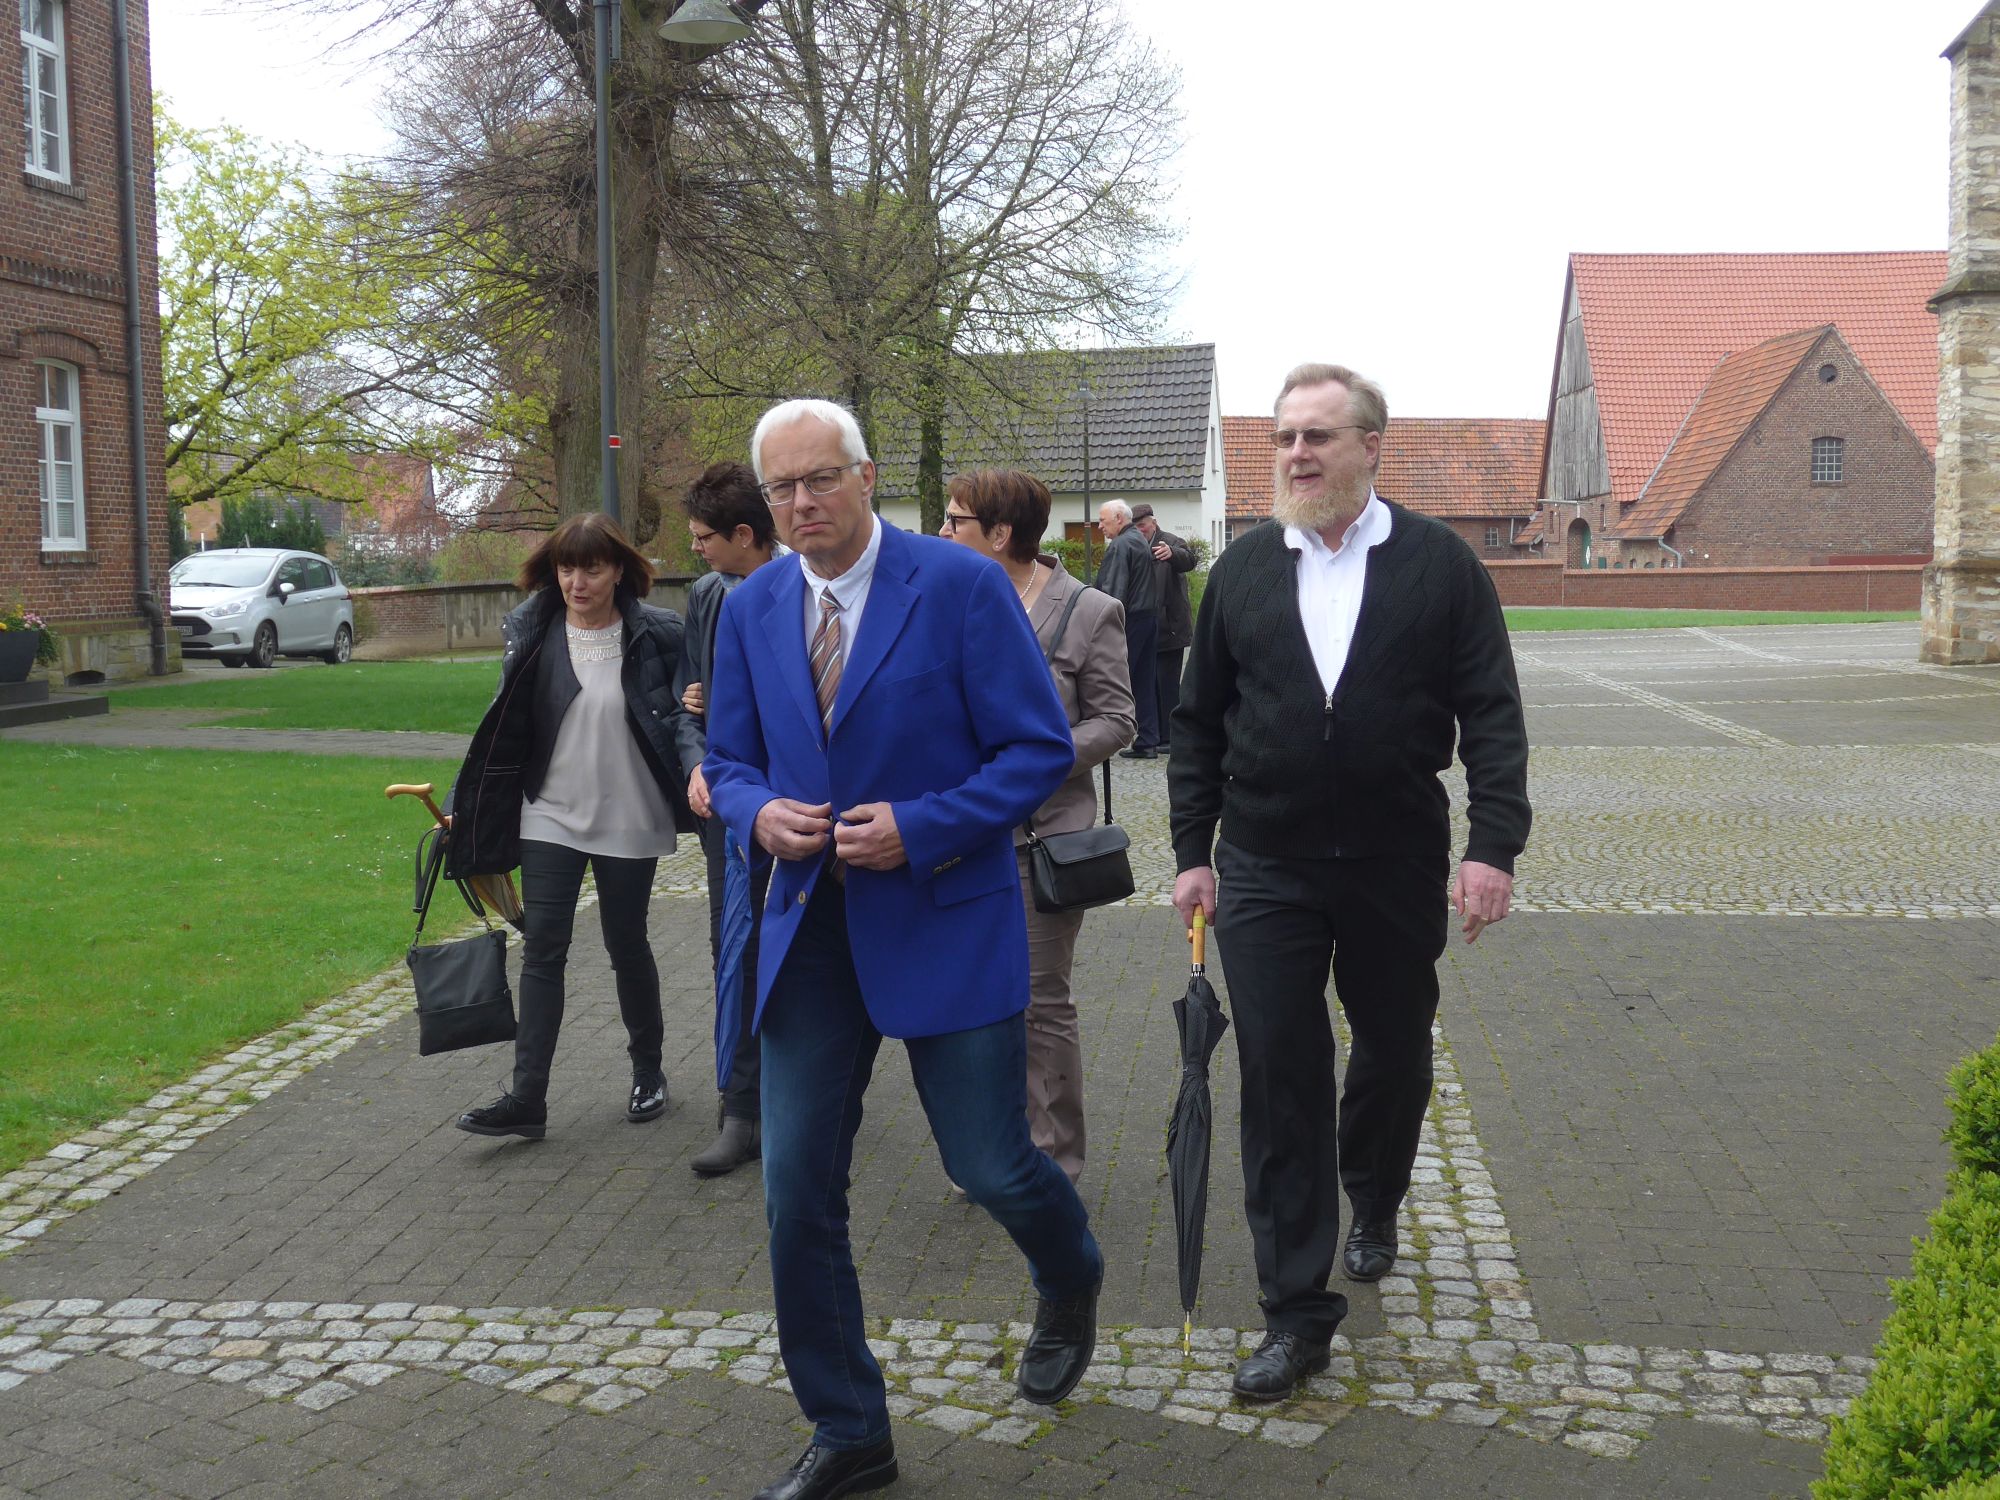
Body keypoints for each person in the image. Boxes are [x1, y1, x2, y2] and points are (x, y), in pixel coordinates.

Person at [705, 400, 1105, 1500]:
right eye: (781, 488)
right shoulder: (750, 606)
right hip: (810, 931)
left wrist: (921, 827)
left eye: (820, 479)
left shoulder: (961, 585)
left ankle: (1069, 1271)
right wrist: (754, 812)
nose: (801, 503)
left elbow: (1035, 750)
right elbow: (726, 760)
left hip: (943, 917)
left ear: (866, 475)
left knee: (988, 1165)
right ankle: (850, 1431)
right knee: (795, 1192)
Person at [1168, 362, 1531, 1402]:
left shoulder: (1440, 566)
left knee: (1391, 1052)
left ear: (1371, 445)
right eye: (1285, 436)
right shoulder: (1242, 569)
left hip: (1393, 860)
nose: (1296, 454)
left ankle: (1373, 1196)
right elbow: (1196, 724)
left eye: (1317, 436)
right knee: (1279, 1075)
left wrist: (1492, 847)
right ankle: (1294, 1312)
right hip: (1265, 863)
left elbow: (1491, 712)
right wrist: (1193, 851)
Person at [446, 512, 696, 1141]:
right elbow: (500, 727)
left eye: (592, 568)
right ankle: (528, 1096)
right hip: (550, 812)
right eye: (566, 568)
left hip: (630, 813)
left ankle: (649, 1072)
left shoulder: (659, 633)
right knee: (543, 949)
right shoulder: (533, 631)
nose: (577, 582)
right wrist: (465, 803)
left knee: (626, 943)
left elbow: (687, 711)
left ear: (619, 571)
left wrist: (697, 701)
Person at [939, 470, 1135, 1184]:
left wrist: (1035, 760)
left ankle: (1052, 1162)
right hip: (956, 835)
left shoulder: (1087, 611)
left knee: (1039, 1006)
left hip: (1038, 839)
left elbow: (1117, 720)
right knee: (970, 1000)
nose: (940, 532)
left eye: (955, 521)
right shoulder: (946, 601)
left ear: (999, 534)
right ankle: (989, 1148)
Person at [674, 462, 780, 1175]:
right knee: (733, 949)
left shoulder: (807, 589)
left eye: (704, 537)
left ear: (744, 534)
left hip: (796, 804)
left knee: (789, 953)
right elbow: (685, 701)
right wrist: (696, 765)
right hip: (728, 805)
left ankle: (792, 1098)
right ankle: (740, 1108)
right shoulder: (707, 596)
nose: (694, 549)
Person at [1093, 498, 1162, 758]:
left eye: (1103, 520)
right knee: (1143, 681)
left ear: (1119, 519)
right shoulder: (1138, 540)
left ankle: (1105, 738)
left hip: (1130, 620)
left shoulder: (1121, 545)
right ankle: (1148, 740)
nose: (1100, 526)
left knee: (1114, 680)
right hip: (1148, 618)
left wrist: (1102, 626)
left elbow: (1114, 590)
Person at [1130, 503, 1195, 754]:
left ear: (1153, 523)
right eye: (1136, 527)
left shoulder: (1170, 542)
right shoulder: (1135, 546)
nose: (1140, 530)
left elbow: (1189, 560)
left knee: (1167, 685)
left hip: (1170, 627)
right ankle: (1154, 735)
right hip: (1146, 627)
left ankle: (1170, 737)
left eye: (1143, 525)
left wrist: (1172, 553)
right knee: (1149, 685)